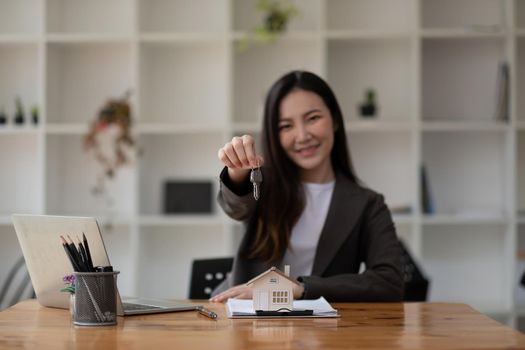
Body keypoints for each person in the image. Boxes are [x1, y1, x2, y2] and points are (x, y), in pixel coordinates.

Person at [211, 70, 404, 303]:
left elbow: (390, 281)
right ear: (274, 135)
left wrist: (301, 288)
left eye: (313, 118)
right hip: (246, 320)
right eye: (286, 126)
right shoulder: (262, 184)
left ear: (334, 120)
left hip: (326, 331)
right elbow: (235, 207)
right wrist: (237, 170)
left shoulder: (368, 203)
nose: (302, 136)